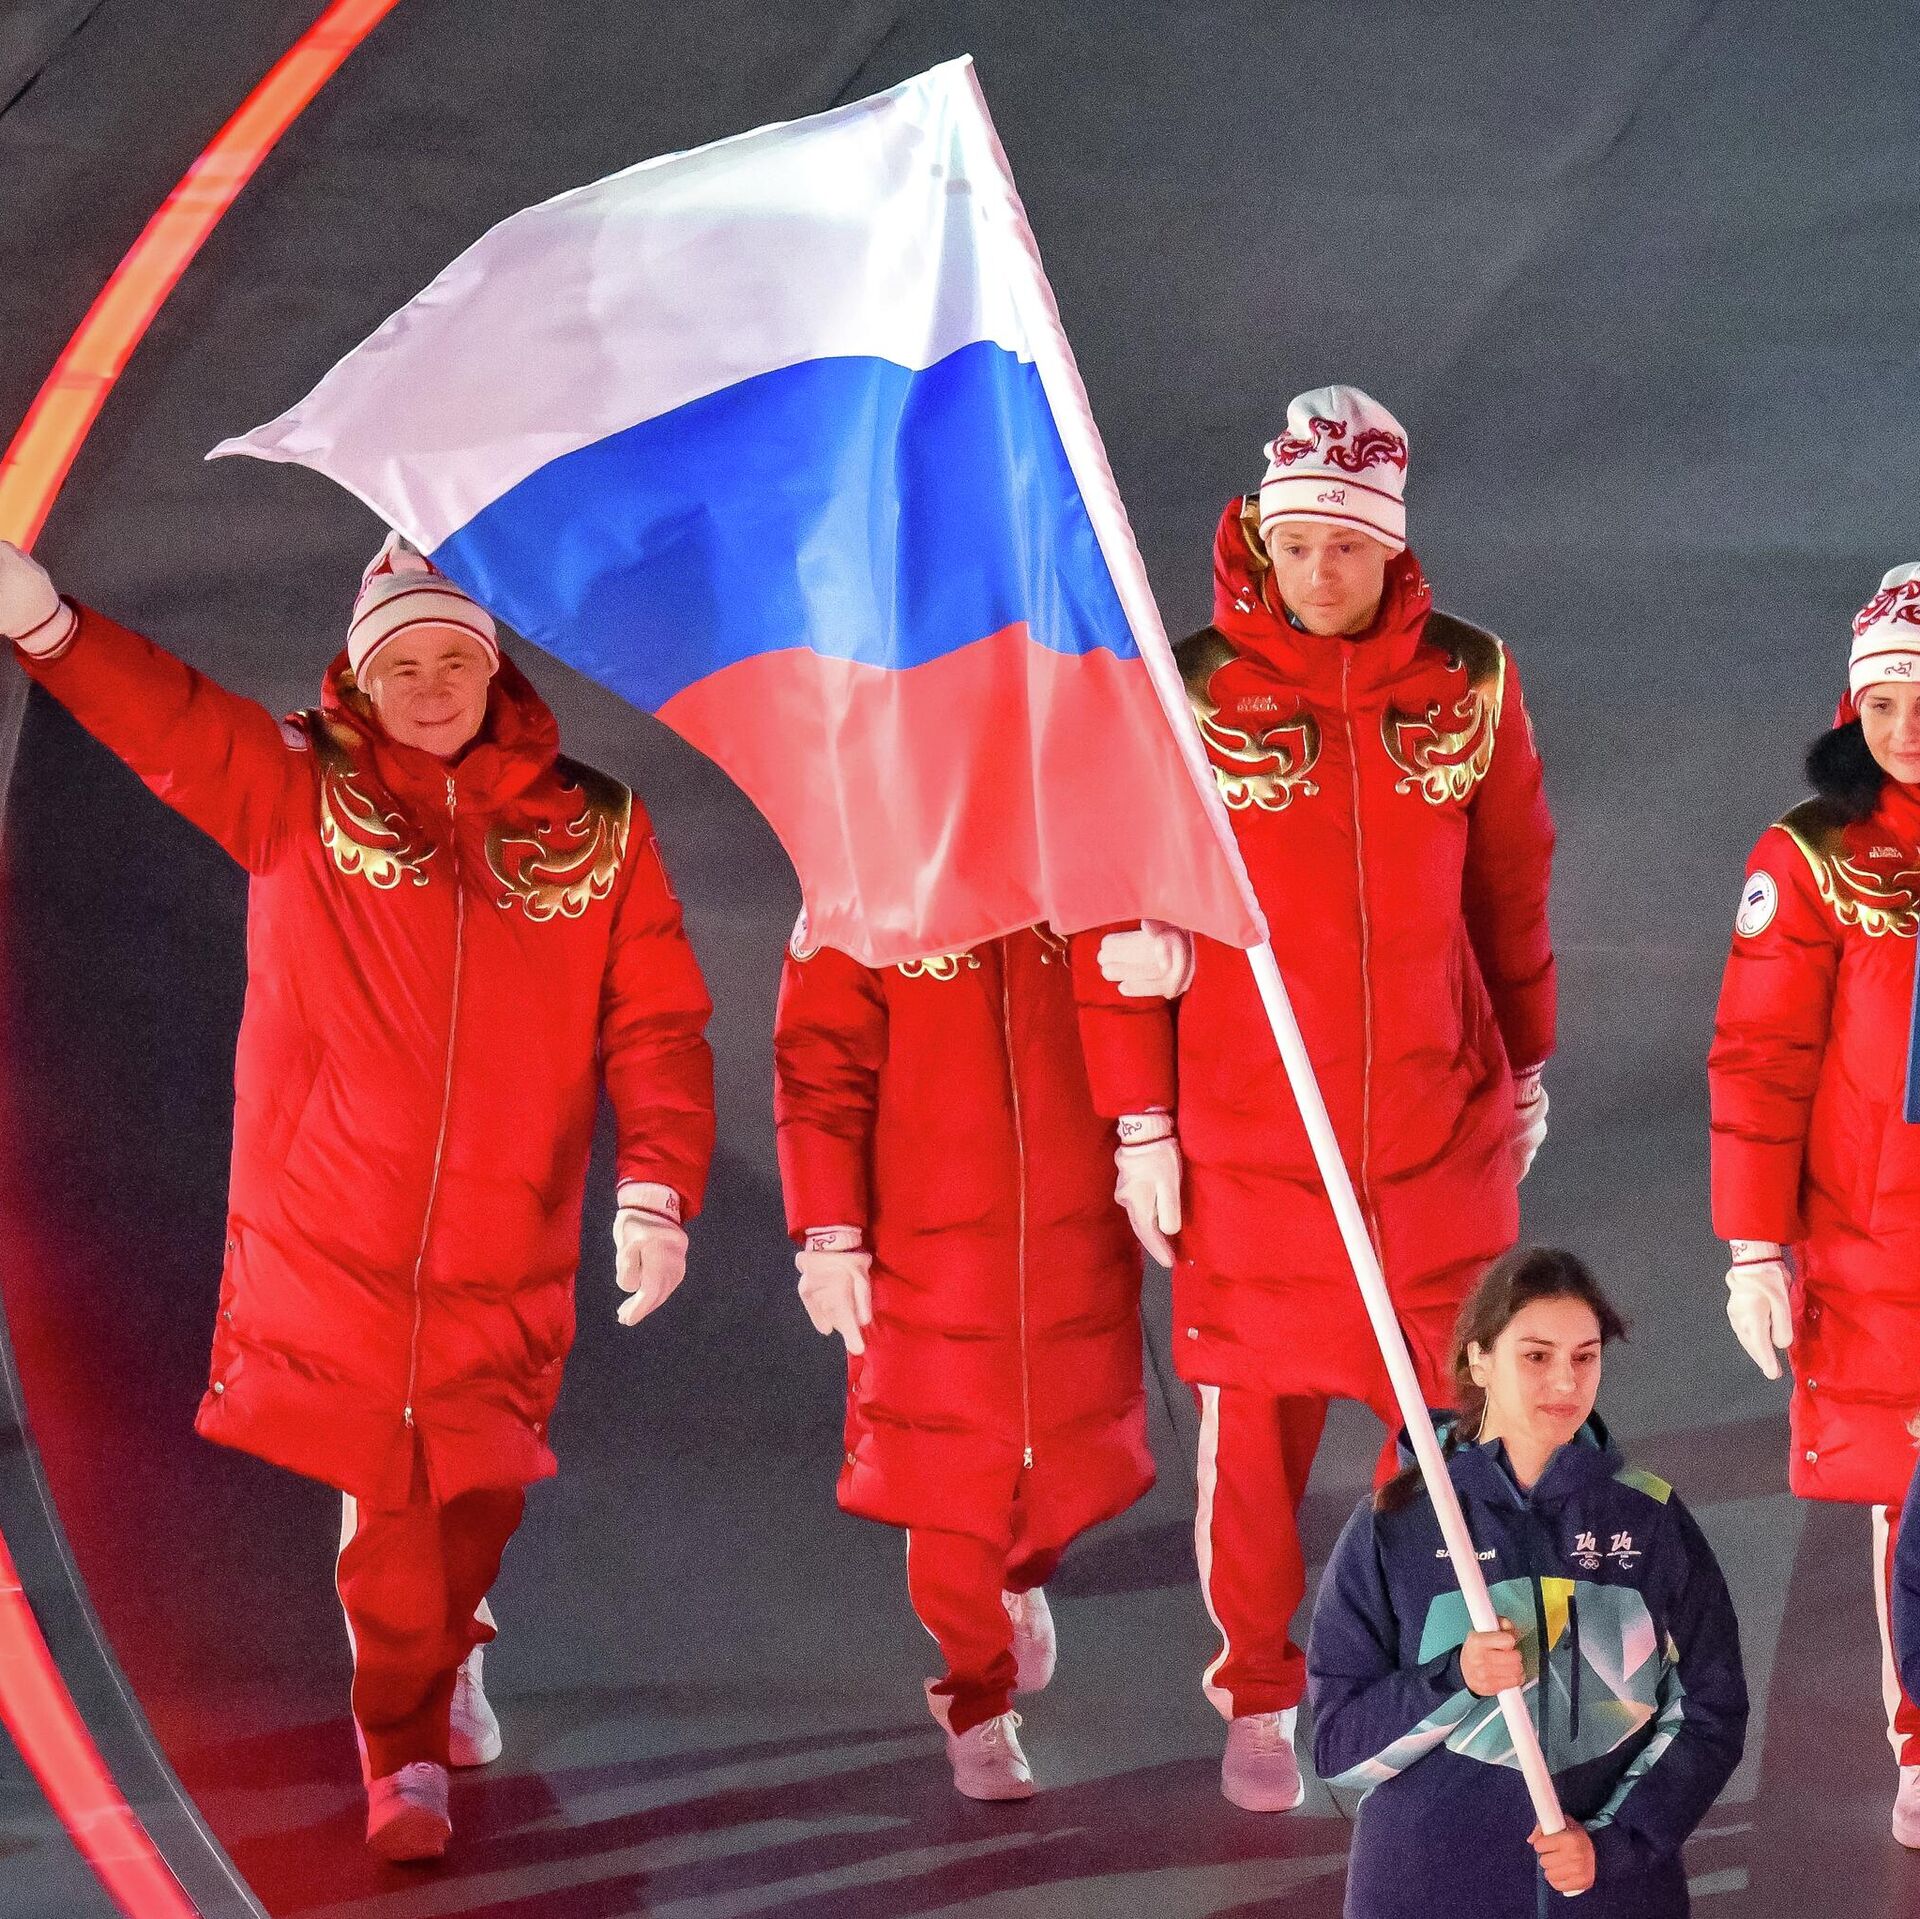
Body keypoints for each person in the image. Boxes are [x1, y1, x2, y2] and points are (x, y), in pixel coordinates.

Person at [0, 534, 715, 1861]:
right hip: (340, 1228)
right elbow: (169, 719)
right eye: (404, 665)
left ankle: (450, 1641)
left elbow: (657, 1019)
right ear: (360, 675)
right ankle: (403, 1742)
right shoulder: (298, 782)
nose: (432, 686)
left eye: (454, 659)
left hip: (513, 1232)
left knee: (478, 1488)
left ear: (494, 671)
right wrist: (49, 624)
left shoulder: (598, 825)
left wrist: (657, 1188)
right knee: (394, 1492)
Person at [1071, 384, 1556, 1809]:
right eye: (1296, 543)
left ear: (1390, 546)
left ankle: (1433, 1676)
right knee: (1254, 1442)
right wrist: (1141, 1117)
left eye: (1347, 544)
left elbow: (1510, 881)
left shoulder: (1469, 680)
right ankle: (1261, 1685)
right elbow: (1120, 904)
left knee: (1454, 1436)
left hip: (1434, 1131)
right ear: (1260, 538)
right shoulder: (1189, 687)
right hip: (1256, 1135)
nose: (1319, 570)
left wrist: (1528, 1058)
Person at [772, 921, 1153, 1800]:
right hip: (926, 1256)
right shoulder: (865, 884)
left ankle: (1021, 1568)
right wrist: (829, 1232)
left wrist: (1151, 1134)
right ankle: (976, 1699)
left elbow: (1138, 1015)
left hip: (1073, 1239)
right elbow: (818, 1065)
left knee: (1065, 1466)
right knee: (944, 1489)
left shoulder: (1077, 865)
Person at [1308, 1247, 1747, 1917]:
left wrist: (1615, 1844)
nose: (1565, 1381)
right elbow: (1340, 1750)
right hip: (1425, 1889)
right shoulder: (1396, 1526)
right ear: (1480, 1359)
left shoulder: (1649, 1519)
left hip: (1606, 1893)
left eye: (1585, 1357)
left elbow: (1711, 1713)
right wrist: (1455, 1679)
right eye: (1536, 1356)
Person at [1708, 560, 1920, 1847]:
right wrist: (1754, 1245)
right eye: (1883, 703)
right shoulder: (1813, 855)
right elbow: (1761, 1057)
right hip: (1879, 1241)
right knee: (1913, 1508)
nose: (1905, 727)